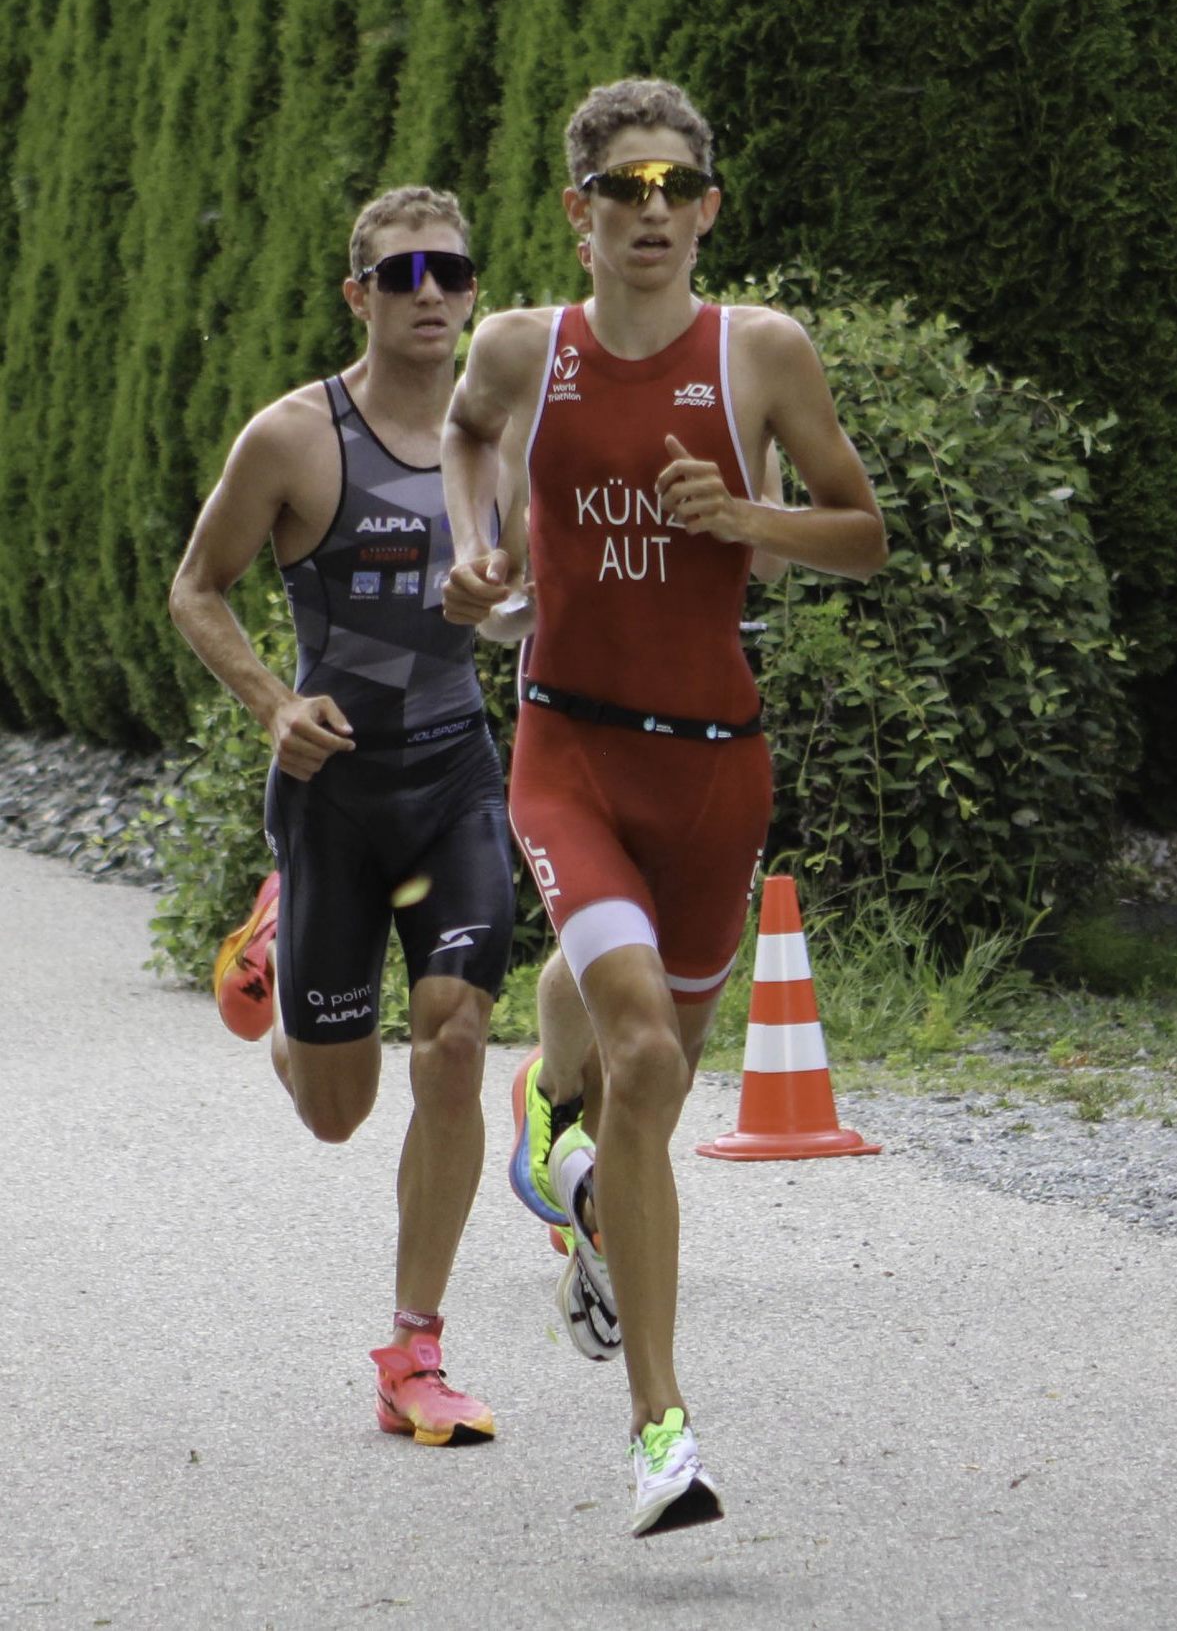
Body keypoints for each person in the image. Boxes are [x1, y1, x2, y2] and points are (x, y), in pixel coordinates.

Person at [441, 77, 888, 1534]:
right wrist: (478, 551)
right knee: (640, 1043)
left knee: (656, 1074)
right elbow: (463, 434)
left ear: (705, 209)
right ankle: (660, 1431)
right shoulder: (526, 349)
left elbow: (863, 533)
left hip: (713, 768)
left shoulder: (759, 352)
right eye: (619, 188)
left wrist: (746, 519)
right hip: (569, 747)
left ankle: (553, 1138)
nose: (648, 210)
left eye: (672, 186)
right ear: (578, 216)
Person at [170, 186, 516, 1447]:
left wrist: (511, 607)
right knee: (338, 1113)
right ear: (357, 293)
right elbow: (197, 588)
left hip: (457, 782)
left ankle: (414, 1350)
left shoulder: (506, 433)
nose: (431, 292)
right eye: (403, 271)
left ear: (475, 291)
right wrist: (272, 704)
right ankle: (276, 930)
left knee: (458, 1035)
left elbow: (543, 597)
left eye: (452, 272)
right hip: (331, 799)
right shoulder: (292, 438)